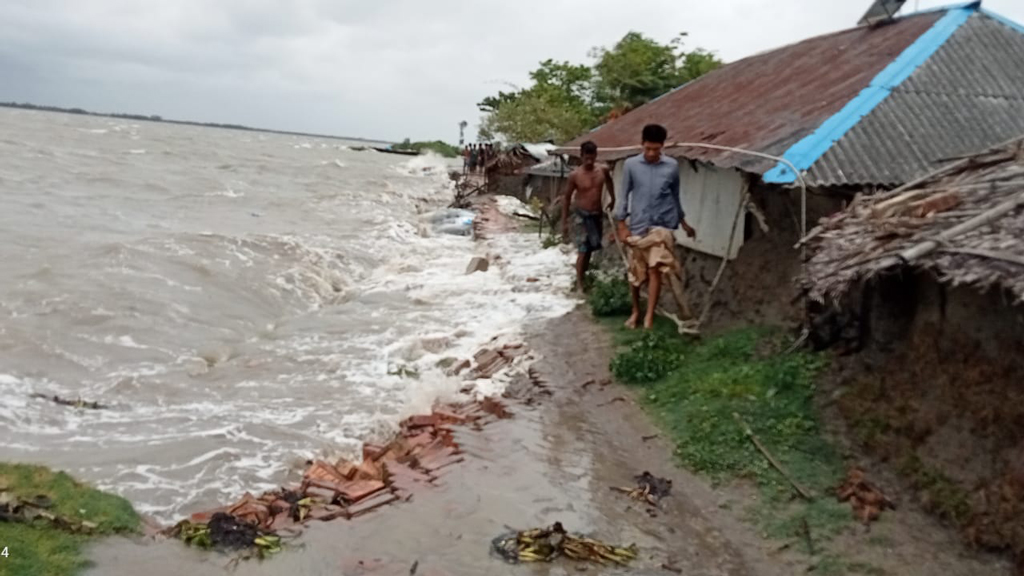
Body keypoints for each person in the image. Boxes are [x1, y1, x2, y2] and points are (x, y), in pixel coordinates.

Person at [614, 124, 696, 329]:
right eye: (648, 148)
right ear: (642, 144)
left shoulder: (671, 167)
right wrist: (622, 224)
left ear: (663, 146)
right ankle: (636, 311)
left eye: (656, 149)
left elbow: (675, 196)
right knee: (636, 274)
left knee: (655, 268)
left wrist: (683, 222)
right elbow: (623, 196)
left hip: (662, 225)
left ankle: (648, 318)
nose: (651, 153)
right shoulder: (631, 165)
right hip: (638, 225)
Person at [562, 141, 615, 293]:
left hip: (596, 215)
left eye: (592, 158)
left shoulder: (602, 170)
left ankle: (583, 277)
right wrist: (564, 222)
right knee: (583, 250)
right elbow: (566, 197)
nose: (589, 161)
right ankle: (580, 284)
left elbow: (610, 182)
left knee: (591, 249)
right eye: (586, 158)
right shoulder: (575, 175)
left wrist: (613, 199)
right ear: (581, 156)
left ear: (596, 156)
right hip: (581, 216)